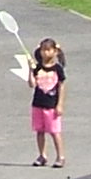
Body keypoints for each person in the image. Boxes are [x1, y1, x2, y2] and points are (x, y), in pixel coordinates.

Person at [28, 39, 68, 168]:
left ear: (55, 51)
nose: (45, 52)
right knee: (39, 131)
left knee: (54, 132)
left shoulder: (57, 69)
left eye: (48, 50)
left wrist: (60, 104)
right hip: (38, 104)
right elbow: (32, 84)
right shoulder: (38, 68)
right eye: (43, 50)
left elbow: (61, 86)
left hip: (52, 105)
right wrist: (30, 70)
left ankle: (60, 156)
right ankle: (42, 155)